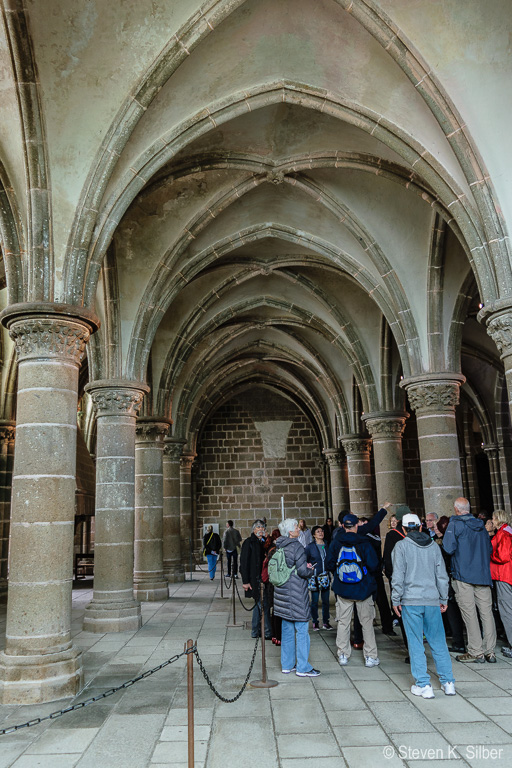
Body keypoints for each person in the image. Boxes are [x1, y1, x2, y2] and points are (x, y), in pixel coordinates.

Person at [391, 512, 456, 699]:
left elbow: (398, 577)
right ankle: (448, 682)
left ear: (403, 529)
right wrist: (444, 598)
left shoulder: (401, 546)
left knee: (416, 643)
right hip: (432, 600)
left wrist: (396, 599)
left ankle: (423, 684)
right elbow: (442, 576)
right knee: (438, 641)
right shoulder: (434, 547)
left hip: (411, 600)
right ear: (420, 526)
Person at [442, 497, 496, 663]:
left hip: (463, 575)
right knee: (487, 613)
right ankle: (490, 651)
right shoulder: (481, 525)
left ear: (457, 509)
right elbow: (489, 548)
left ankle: (476, 651)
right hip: (482, 575)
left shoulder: (455, 524)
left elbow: (448, 548)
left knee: (470, 614)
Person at [326, 513, 380, 667]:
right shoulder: (364, 542)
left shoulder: (336, 543)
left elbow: (329, 564)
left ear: (343, 526)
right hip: (363, 589)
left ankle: (343, 654)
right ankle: (370, 656)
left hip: (343, 589)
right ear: (357, 526)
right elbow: (374, 565)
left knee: (343, 623)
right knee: (367, 623)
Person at [273, 518, 320, 677]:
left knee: (286, 629)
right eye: (295, 527)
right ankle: (303, 667)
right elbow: (302, 571)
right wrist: (311, 569)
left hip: (282, 592)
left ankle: (287, 665)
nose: (298, 528)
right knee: (301, 630)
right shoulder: (296, 547)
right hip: (296, 593)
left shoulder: (279, 545)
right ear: (290, 532)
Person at [435, 515, 466, 653]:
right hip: (457, 577)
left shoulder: (445, 545)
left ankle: (458, 642)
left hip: (450, 579)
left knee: (453, 611)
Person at [240, 519, 272, 639]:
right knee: (263, 605)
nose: (261, 529)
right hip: (255, 580)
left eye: (263, 527)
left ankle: (256, 630)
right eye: (258, 527)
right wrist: (245, 582)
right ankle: (267, 632)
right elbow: (244, 563)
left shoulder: (263, 543)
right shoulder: (249, 542)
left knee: (260, 605)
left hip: (263, 579)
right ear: (253, 529)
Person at [490, 509, 512, 658]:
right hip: (505, 574)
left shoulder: (504, 534)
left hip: (503, 575)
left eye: (493, 518)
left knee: (507, 612)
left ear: (498, 519)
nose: (491, 520)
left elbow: (503, 556)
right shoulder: (506, 532)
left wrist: (490, 555)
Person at [306, 525, 332, 630]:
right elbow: (306, 559)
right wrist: (309, 567)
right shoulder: (310, 547)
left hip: (325, 576)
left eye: (322, 531)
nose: (321, 533)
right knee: (315, 601)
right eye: (318, 531)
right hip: (315, 577)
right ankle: (315, 621)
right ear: (313, 535)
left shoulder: (327, 545)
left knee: (326, 601)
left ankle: (326, 621)